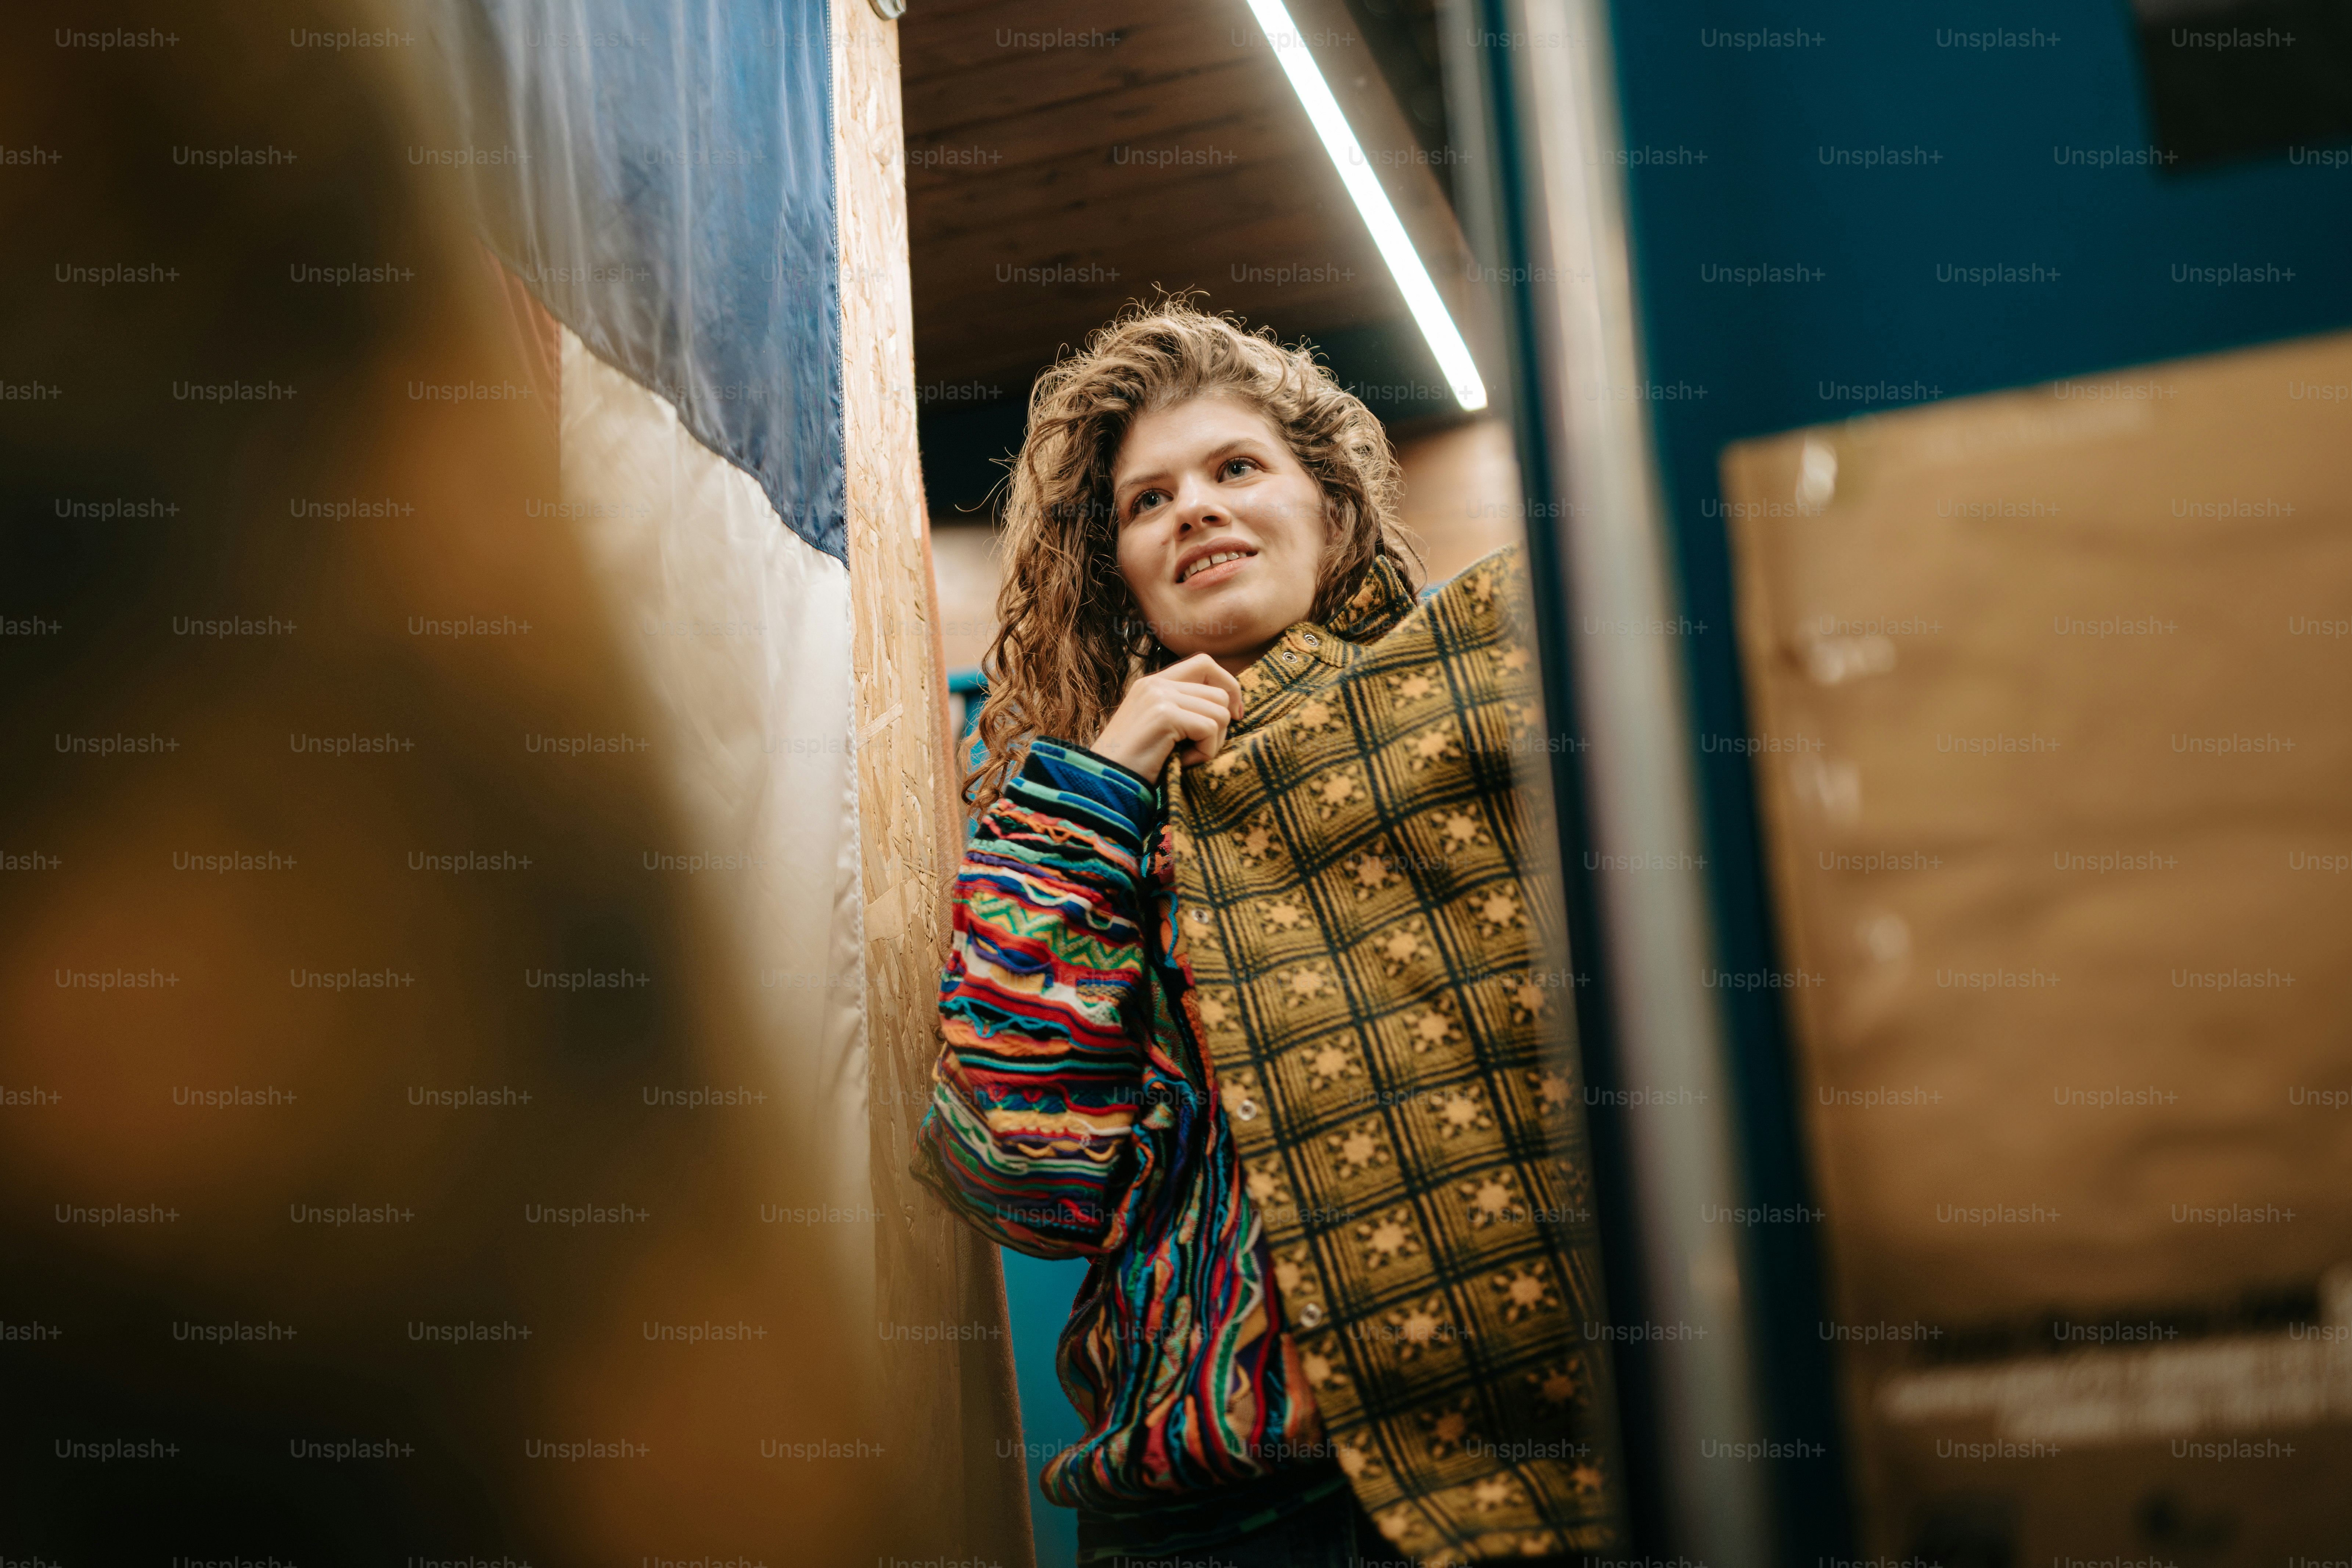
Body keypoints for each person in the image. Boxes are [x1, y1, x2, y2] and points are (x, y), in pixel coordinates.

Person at [914, 303, 1625, 1565]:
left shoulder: (1492, 673)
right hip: (1219, 1505)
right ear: (1115, 572)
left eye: (1235, 468)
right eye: (1147, 501)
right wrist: (1101, 782)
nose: (1192, 508)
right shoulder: (1090, 822)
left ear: (1332, 508)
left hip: (1546, 1469)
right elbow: (1018, 1168)